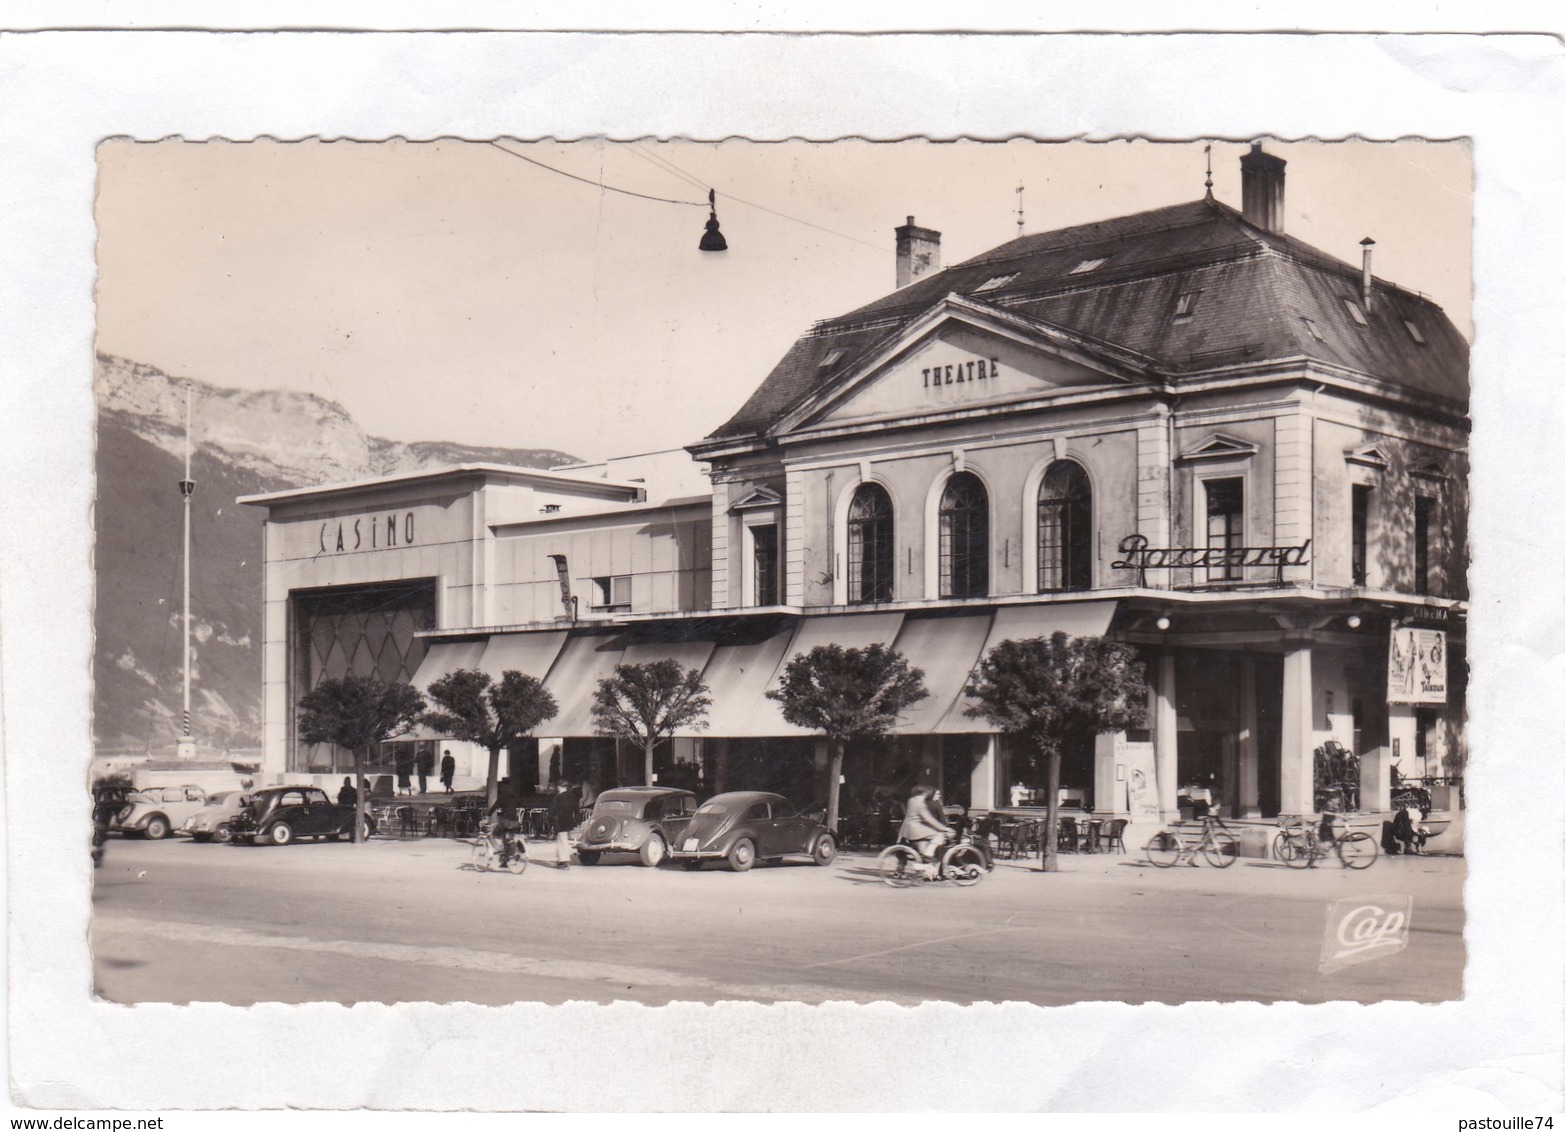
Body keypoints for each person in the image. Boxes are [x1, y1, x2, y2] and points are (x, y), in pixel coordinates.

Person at [899, 783, 953, 873]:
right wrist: (944, 828)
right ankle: (927, 856)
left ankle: (923, 866)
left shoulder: (911, 800)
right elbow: (929, 819)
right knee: (938, 835)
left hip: (908, 829)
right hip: (916, 829)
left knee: (922, 848)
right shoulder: (920, 803)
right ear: (923, 794)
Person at [486, 796, 524, 867]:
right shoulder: (514, 798)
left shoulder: (502, 797)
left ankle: (498, 849)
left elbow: (494, 807)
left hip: (505, 822)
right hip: (515, 823)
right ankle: (505, 861)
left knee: (493, 834)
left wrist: (488, 815)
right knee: (507, 838)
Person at [551, 781, 579, 870]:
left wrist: (550, 822)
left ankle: (564, 861)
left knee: (562, 840)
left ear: (560, 787)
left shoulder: (558, 797)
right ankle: (560, 859)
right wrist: (577, 821)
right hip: (570, 820)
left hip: (560, 821)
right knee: (563, 840)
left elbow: (552, 811)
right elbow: (577, 810)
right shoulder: (573, 797)